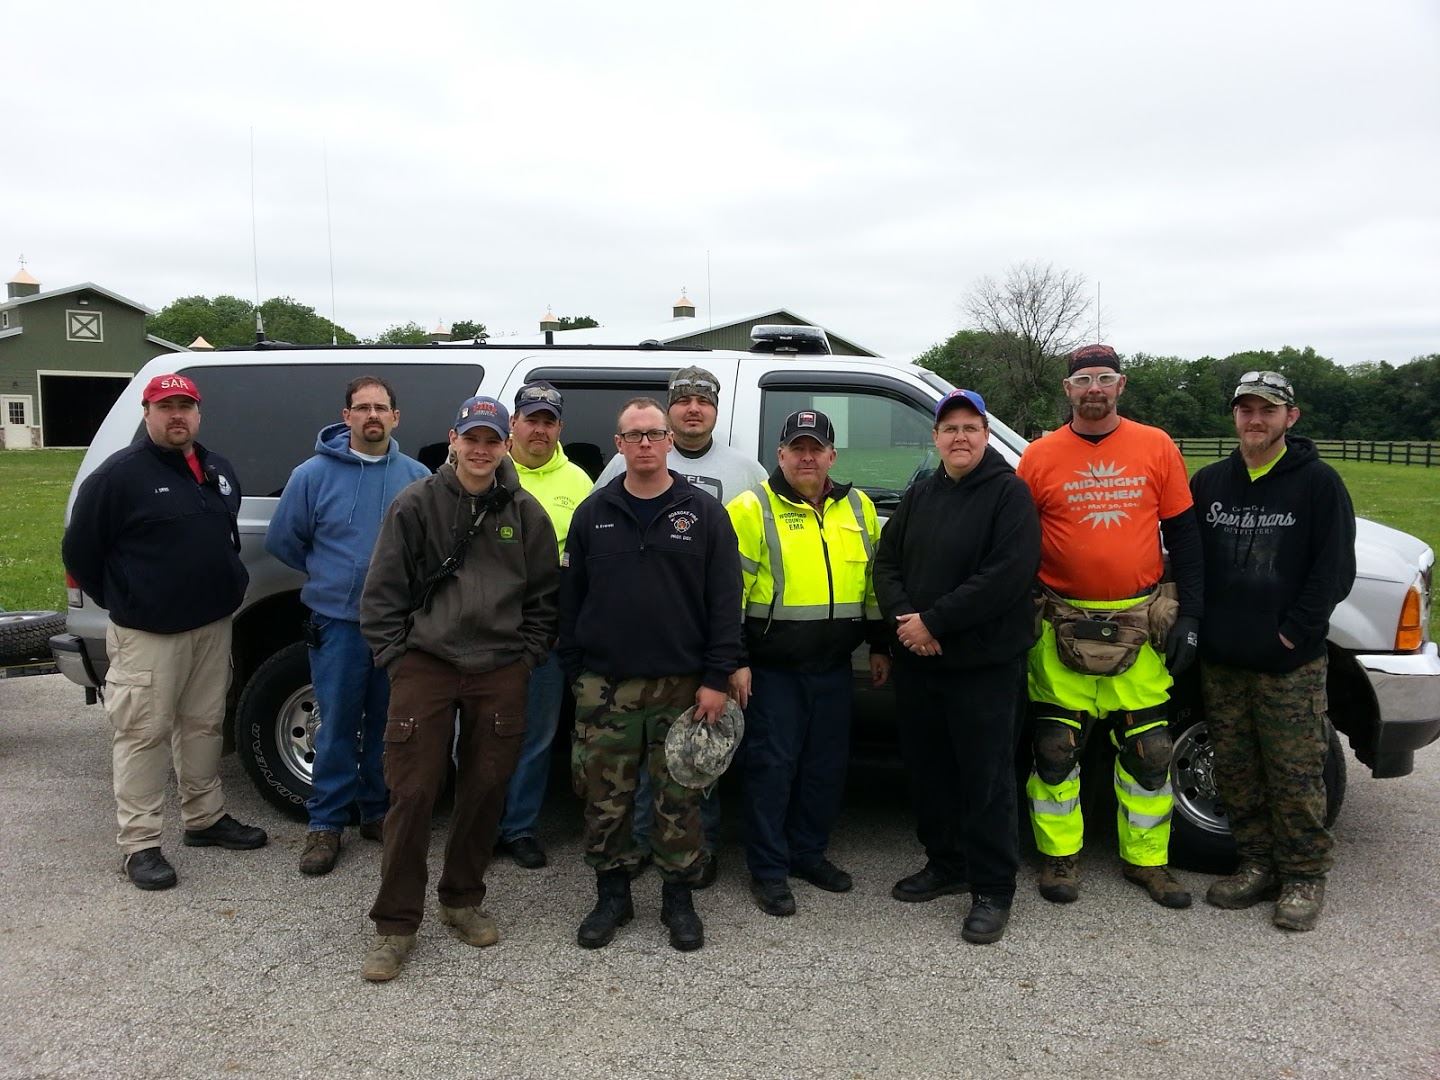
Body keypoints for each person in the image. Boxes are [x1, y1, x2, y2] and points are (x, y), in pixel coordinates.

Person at [356, 395, 558, 982]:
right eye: (472, 438)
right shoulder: (415, 504)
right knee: (413, 790)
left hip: (500, 668)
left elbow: (545, 598)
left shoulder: (525, 512)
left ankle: (463, 900)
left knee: (486, 787)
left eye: (492, 440)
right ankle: (396, 924)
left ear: (506, 445)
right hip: (427, 664)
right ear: (453, 439)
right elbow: (382, 593)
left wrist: (525, 659)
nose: (481, 450)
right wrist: (399, 661)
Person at [1016, 344, 1204, 909]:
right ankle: (1059, 858)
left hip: (1138, 622)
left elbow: (1185, 536)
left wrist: (1191, 614)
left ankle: (1147, 861)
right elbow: (1016, 542)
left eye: (1104, 378)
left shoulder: (1157, 446)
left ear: (1121, 385)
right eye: (1082, 380)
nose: (1093, 388)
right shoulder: (1039, 455)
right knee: (1055, 750)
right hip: (1060, 621)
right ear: (1067, 389)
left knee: (1151, 751)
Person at [62, 373, 266, 890]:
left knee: (203, 725)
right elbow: (80, 552)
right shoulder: (118, 476)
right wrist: (128, 598)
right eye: (165, 406)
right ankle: (140, 845)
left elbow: (223, 533)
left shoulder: (216, 467)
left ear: (198, 413)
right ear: (148, 413)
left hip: (211, 625)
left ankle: (204, 818)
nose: (177, 415)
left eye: (185, 406)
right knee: (143, 734)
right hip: (149, 634)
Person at [560, 397, 743, 952]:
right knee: (604, 798)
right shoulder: (593, 513)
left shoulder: (703, 513)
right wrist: (576, 671)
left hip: (682, 686)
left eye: (654, 434)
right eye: (633, 435)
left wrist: (717, 677)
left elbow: (725, 602)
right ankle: (612, 896)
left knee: (679, 797)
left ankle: (678, 899)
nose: (644, 443)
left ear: (668, 442)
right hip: (605, 686)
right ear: (618, 445)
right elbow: (571, 599)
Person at [874, 389, 1041, 944]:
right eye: (950, 428)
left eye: (971, 427)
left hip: (983, 668)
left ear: (986, 435)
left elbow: (1005, 576)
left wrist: (934, 623)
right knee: (930, 773)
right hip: (920, 664)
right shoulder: (922, 493)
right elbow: (886, 563)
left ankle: (993, 889)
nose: (960, 437)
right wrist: (906, 620)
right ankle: (946, 864)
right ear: (936, 437)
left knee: (986, 780)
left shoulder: (1009, 495)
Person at [1191, 371, 1355, 931]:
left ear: (1291, 416)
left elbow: (1334, 571)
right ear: (1235, 416)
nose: (1255, 419)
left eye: (1268, 409)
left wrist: (1291, 633)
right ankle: (1256, 864)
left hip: (1288, 663)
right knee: (1236, 769)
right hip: (1223, 660)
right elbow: (1192, 561)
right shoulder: (1210, 483)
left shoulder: (1318, 484)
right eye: (1246, 409)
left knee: (1295, 772)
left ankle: (1304, 876)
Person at [594, 365, 765, 880]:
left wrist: (730, 658)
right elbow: (594, 558)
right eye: (684, 400)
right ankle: (644, 846)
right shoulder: (617, 467)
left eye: (703, 400)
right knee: (638, 763)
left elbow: (731, 583)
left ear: (716, 410)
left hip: (699, 647)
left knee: (695, 756)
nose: (694, 409)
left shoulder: (746, 471)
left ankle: (696, 853)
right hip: (629, 655)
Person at [726, 409, 888, 918]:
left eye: (816, 448)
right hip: (773, 669)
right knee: (772, 770)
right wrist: (735, 659)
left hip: (835, 666)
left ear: (832, 456)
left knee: (825, 768)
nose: (807, 457)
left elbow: (875, 585)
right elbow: (727, 594)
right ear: (780, 455)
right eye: (797, 448)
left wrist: (880, 644)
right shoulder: (751, 508)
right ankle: (769, 870)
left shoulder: (858, 507)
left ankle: (809, 854)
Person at [266, 376, 430, 876]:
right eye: (362, 408)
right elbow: (285, 540)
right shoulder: (311, 475)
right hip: (337, 623)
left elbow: (429, 548)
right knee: (336, 724)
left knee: (388, 723)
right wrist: (331, 576)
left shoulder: (418, 477)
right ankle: (326, 824)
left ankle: (377, 812)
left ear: (396, 417)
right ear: (346, 416)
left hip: (397, 627)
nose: (372, 415)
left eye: (381, 407)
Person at [493, 380, 594, 870]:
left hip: (545, 634)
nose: (539, 429)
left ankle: (518, 827)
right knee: (479, 735)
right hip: (484, 632)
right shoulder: (484, 468)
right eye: (530, 419)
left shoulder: (579, 483)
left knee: (534, 736)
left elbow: (587, 563)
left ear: (560, 428)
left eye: (548, 422)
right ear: (513, 424)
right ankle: (479, 825)